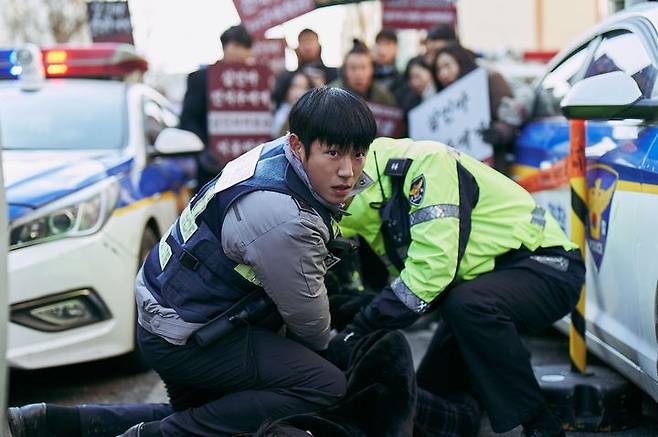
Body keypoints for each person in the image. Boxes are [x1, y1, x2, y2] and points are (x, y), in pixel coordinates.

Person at [7, 87, 378, 437]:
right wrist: (335, 346)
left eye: (358, 154)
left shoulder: (276, 156)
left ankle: (49, 421)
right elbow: (309, 324)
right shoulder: (285, 217)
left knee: (207, 412)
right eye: (333, 154)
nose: (348, 170)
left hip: (175, 312)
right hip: (186, 333)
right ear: (298, 145)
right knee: (324, 385)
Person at [328, 137, 585, 437]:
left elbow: (433, 272)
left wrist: (360, 327)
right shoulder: (355, 200)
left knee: (467, 305)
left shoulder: (426, 164)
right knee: (425, 404)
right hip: (476, 288)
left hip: (546, 265)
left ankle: (541, 425)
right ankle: (492, 375)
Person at [179, 24, 253, 190]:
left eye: (246, 47)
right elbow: (188, 119)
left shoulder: (256, 81)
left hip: (247, 167)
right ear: (225, 47)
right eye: (236, 46)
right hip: (211, 168)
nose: (241, 52)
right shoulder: (202, 78)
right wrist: (205, 150)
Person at [433, 42, 517, 172]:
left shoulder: (490, 80)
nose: (443, 74)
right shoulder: (441, 101)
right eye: (438, 69)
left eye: (447, 66)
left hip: (491, 164)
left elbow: (510, 118)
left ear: (461, 62)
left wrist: (498, 132)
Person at [330, 40, 397, 107]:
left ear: (372, 70)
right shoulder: (332, 95)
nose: (358, 74)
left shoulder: (383, 97)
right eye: (353, 68)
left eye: (363, 67)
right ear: (345, 70)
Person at [270, 71, 312, 138]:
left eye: (305, 87)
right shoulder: (280, 112)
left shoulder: (312, 113)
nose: (299, 92)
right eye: (295, 86)